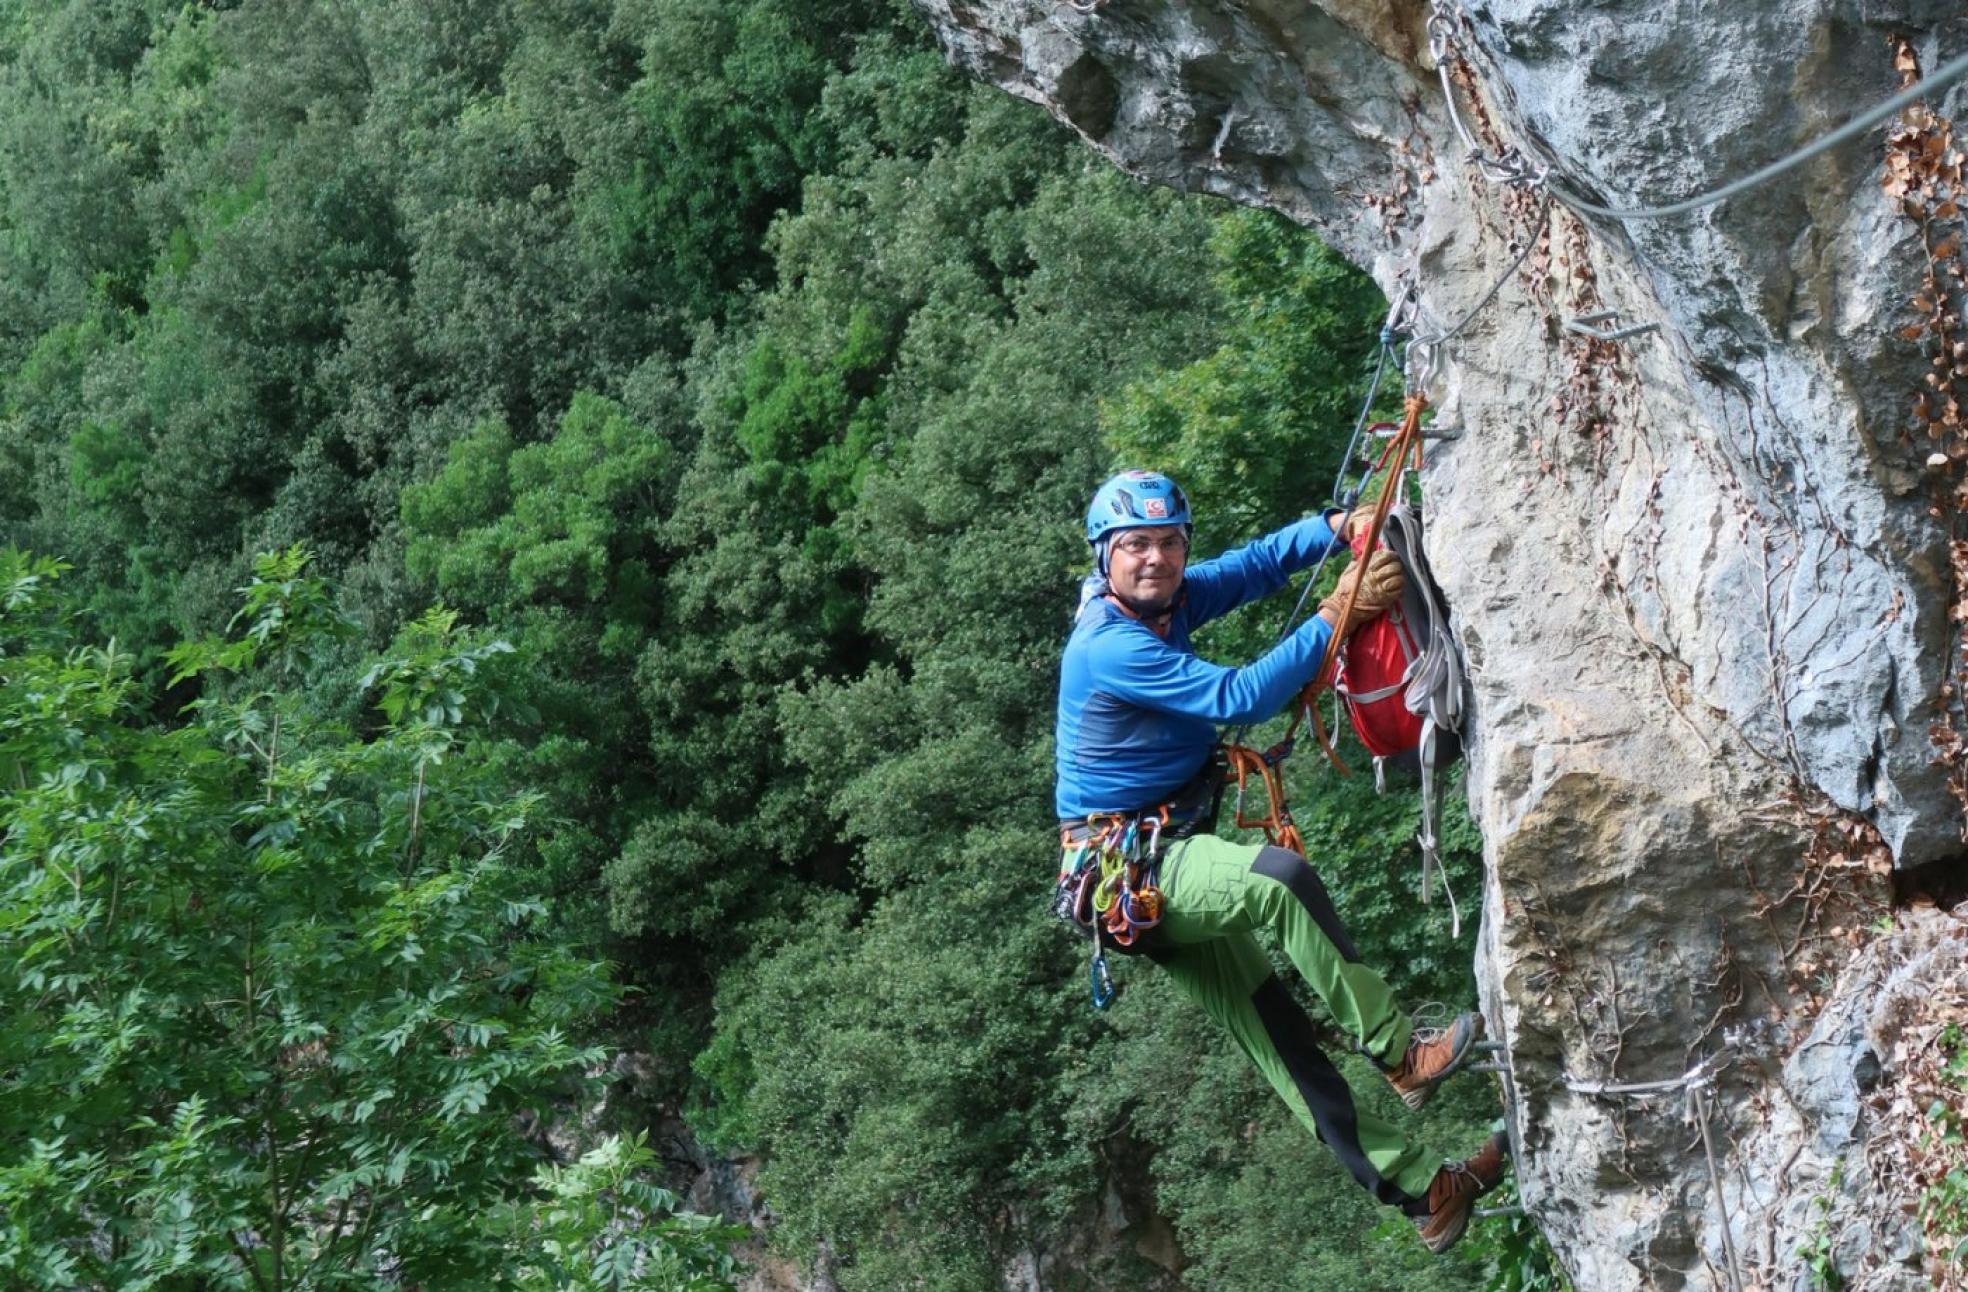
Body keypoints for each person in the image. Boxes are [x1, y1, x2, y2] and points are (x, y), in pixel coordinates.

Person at [1053, 468, 1508, 1254]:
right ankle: (1403, 1053)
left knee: (1285, 1045)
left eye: (1168, 543)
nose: (1155, 559)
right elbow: (1238, 698)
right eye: (1135, 546)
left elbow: (1259, 563)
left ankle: (1428, 1193)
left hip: (1158, 852)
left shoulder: (1170, 600)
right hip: (1130, 867)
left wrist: (1336, 527)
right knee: (1277, 881)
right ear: (1104, 557)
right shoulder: (1110, 645)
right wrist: (1334, 615)